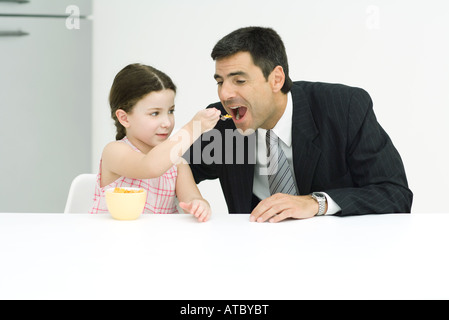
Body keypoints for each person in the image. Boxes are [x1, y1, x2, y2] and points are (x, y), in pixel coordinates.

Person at [184, 27, 413, 222]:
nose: (225, 93)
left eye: (239, 81)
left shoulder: (345, 107)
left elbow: (394, 194)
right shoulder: (223, 123)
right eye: (220, 82)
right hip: (254, 256)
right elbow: (174, 168)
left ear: (276, 79)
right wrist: (193, 198)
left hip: (340, 253)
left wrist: (316, 203)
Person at [90, 63, 221, 222]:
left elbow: (191, 196)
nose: (166, 122)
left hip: (158, 242)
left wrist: (199, 204)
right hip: (114, 241)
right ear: (124, 118)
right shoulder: (114, 151)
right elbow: (149, 166)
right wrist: (193, 129)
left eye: (171, 111)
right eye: (154, 113)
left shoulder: (177, 163)